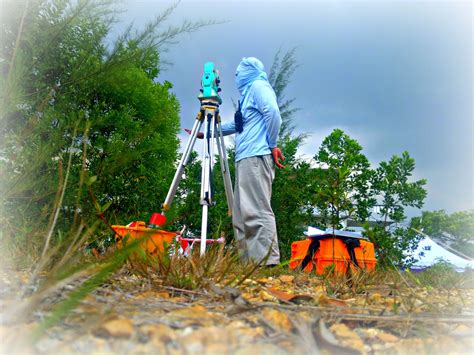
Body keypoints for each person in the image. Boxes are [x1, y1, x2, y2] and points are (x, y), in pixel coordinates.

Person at [220, 57, 285, 266]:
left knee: (257, 209)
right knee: (241, 214)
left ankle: (267, 261)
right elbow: (238, 124)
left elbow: (273, 112)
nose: (237, 77)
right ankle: (248, 263)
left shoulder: (258, 85)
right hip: (244, 156)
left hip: (256, 156)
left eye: (239, 73)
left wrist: (272, 143)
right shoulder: (247, 95)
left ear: (248, 71)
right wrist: (210, 132)